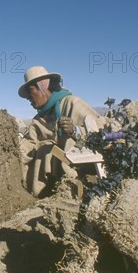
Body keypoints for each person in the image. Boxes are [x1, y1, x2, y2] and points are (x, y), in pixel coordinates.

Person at [17, 66, 103, 197]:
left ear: (43, 87)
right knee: (43, 149)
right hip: (54, 174)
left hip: (85, 167)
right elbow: (29, 144)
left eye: (30, 91)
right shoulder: (38, 120)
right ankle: (40, 194)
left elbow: (102, 129)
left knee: (67, 142)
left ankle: (72, 189)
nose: (28, 98)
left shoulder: (72, 103)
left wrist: (75, 131)